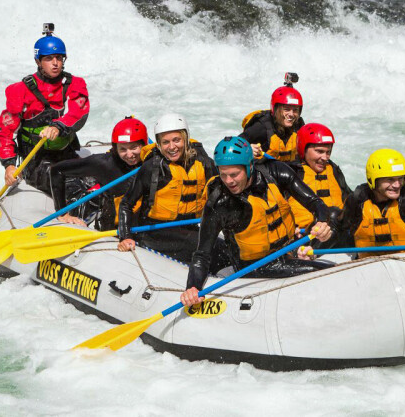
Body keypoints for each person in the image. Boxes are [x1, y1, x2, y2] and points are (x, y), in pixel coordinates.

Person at [180, 136, 334, 307]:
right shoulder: (219, 203)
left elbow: (316, 203)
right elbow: (202, 254)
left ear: (249, 167)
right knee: (326, 271)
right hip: (254, 266)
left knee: (332, 258)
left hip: (288, 248)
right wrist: (192, 287)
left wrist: (322, 222)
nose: (229, 181)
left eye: (234, 174)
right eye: (223, 174)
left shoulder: (276, 172)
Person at [0, 23, 90, 208]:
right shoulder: (20, 90)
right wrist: (9, 165)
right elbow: (6, 132)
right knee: (70, 187)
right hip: (36, 160)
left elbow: (79, 112)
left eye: (59, 58)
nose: (55, 63)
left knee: (94, 180)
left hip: (66, 152)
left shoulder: (74, 84)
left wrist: (59, 126)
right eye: (48, 59)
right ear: (38, 61)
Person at [313, 148, 405, 259]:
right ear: (373, 180)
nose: (397, 185)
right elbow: (339, 228)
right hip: (367, 265)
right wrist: (318, 247)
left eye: (400, 179)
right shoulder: (357, 200)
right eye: (390, 180)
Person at [116, 114, 217, 263]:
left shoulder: (204, 163)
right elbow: (126, 204)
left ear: (186, 139)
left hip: (191, 227)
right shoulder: (152, 168)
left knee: (220, 247)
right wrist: (125, 236)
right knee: (208, 247)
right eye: (165, 142)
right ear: (159, 144)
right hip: (155, 232)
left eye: (176, 140)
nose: (171, 147)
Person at [49, 116, 147, 229]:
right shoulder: (103, 163)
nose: (129, 155)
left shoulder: (153, 161)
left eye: (134, 148)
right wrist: (63, 214)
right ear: (115, 148)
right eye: (123, 149)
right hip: (111, 225)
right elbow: (57, 170)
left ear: (143, 145)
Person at [287, 123, 352, 230]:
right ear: (304, 149)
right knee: (332, 215)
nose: (325, 157)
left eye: (328, 152)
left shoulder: (333, 169)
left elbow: (349, 199)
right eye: (319, 151)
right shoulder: (292, 172)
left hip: (336, 231)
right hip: (304, 235)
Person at [241, 73, 305, 162]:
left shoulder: (299, 126)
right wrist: (247, 149)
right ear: (276, 109)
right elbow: (234, 144)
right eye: (286, 109)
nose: (291, 114)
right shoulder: (262, 126)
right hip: (266, 173)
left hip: (290, 171)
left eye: (295, 110)